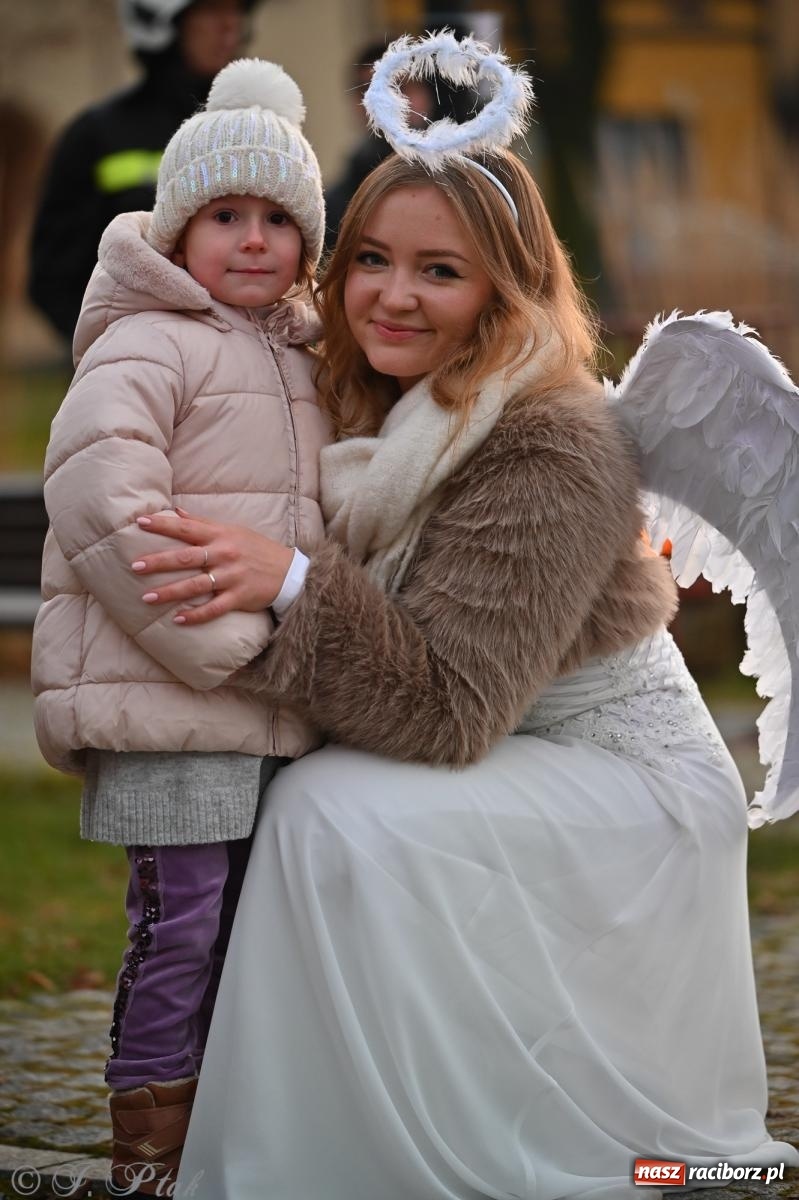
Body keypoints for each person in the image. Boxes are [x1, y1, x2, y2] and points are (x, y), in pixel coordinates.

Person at [128, 34, 798, 1200]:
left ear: (505, 287)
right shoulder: (362, 390)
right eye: (372, 259)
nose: (393, 293)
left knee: (332, 815)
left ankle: (426, 1141)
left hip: (619, 775)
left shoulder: (553, 437)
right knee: (295, 801)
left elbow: (446, 713)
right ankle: (296, 1147)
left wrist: (290, 583)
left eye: (439, 272)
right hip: (501, 734)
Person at [29, 57, 330, 1195]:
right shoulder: (146, 342)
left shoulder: (304, 355)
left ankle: (230, 1132)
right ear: (177, 226)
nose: (252, 241)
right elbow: (104, 505)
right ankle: (146, 1144)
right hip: (172, 700)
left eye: (277, 220)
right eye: (223, 216)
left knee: (256, 928)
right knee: (183, 923)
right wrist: (227, 652)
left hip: (268, 707)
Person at [28, 0, 259, 341]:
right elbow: (51, 275)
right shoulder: (97, 134)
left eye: (236, 11)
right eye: (211, 11)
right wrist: (113, 344)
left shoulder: (257, 129)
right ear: (161, 25)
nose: (230, 26)